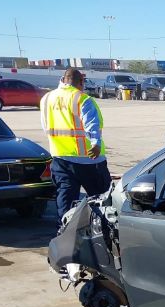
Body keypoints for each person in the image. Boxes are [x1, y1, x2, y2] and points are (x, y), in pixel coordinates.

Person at [40, 68, 111, 225]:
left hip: (60, 159)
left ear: (63, 79)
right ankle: (105, 234)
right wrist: (95, 144)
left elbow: (46, 126)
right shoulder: (82, 99)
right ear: (81, 82)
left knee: (65, 201)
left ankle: (64, 233)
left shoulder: (47, 99)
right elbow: (92, 124)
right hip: (89, 161)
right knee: (103, 201)